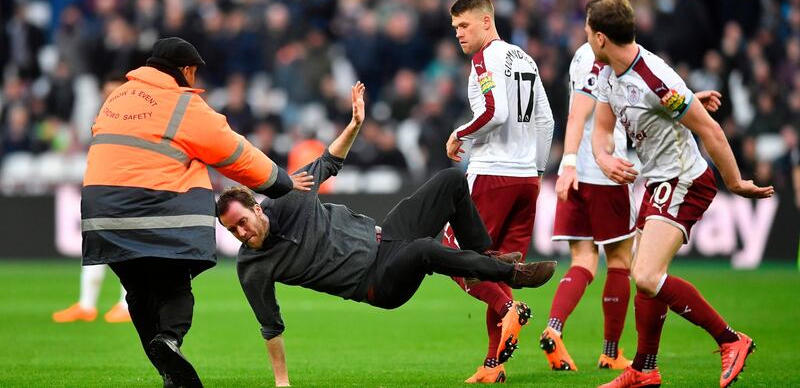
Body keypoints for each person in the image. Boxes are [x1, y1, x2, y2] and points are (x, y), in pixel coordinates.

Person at [216, 81, 558, 387]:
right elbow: (270, 326)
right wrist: (282, 383)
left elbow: (329, 161)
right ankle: (513, 273)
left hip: (386, 238)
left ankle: (489, 262)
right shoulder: (253, 268)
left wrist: (355, 125)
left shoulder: (291, 196)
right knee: (425, 249)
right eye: (233, 230)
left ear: (257, 208)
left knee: (451, 181)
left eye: (242, 222)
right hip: (377, 282)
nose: (240, 233)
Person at [81, 37, 312, 388]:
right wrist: (282, 182)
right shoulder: (182, 105)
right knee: (174, 286)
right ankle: (170, 340)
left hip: (102, 215)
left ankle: (171, 374)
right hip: (155, 210)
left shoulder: (116, 98)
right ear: (187, 70)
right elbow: (236, 154)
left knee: (139, 294)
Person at [584, 0, 773, 388]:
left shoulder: (654, 78)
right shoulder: (606, 73)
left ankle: (730, 339)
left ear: (600, 37)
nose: (585, 38)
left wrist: (735, 183)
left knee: (648, 274)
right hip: (658, 179)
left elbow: (711, 130)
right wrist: (604, 160)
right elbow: (601, 129)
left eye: (587, 32)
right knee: (646, 277)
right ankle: (644, 370)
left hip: (685, 179)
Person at [543, 44, 724, 372]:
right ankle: (610, 352)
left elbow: (632, 102)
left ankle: (554, 327)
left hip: (576, 172)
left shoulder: (580, 57)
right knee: (620, 262)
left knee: (583, 260)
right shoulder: (612, 59)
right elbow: (605, 110)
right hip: (607, 172)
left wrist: (568, 163)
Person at [443, 0, 554, 383]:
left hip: (493, 175)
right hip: (525, 179)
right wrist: (537, 173)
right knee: (500, 268)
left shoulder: (484, 58)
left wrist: (459, 134)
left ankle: (509, 308)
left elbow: (494, 112)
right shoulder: (524, 58)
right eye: (455, 27)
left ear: (486, 21)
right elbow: (547, 121)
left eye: (464, 25)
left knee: (453, 253)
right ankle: (494, 366)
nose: (458, 33)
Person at [54, 74, 132, 324]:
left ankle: (126, 305)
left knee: (127, 247)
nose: (110, 97)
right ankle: (86, 304)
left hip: (129, 190)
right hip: (104, 189)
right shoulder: (101, 117)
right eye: (107, 92)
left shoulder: (135, 119)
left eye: (115, 92)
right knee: (95, 244)